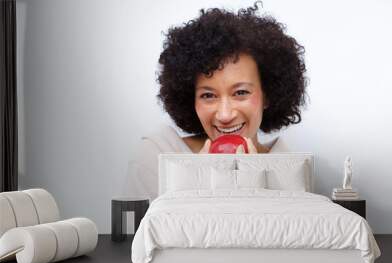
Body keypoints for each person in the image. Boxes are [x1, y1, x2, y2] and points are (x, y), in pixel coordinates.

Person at [123, 3, 307, 201]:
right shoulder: (159, 155)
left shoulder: (288, 166)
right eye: (208, 96)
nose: (225, 115)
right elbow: (142, 232)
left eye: (241, 92)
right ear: (190, 98)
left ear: (267, 95)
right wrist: (197, 180)